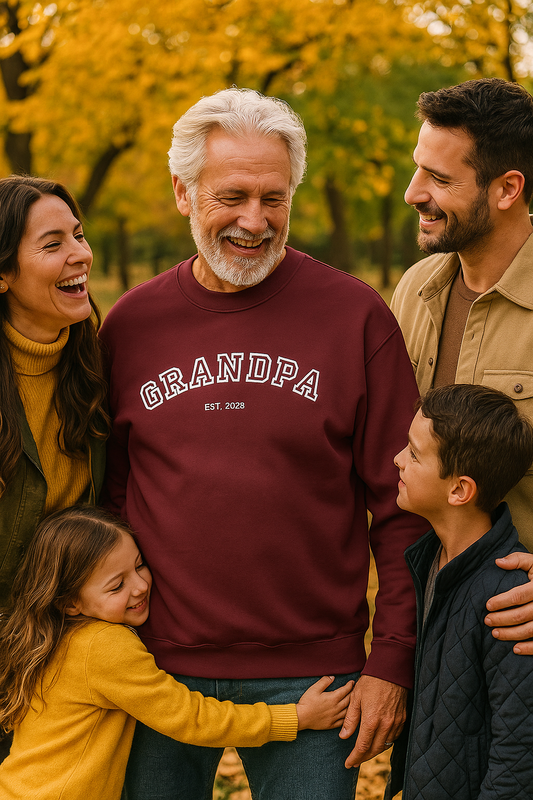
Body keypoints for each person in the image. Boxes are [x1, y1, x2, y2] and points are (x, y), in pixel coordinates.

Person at [99, 87, 427, 799]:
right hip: (153, 666)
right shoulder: (129, 326)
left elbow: (402, 507)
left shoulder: (354, 317)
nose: (254, 220)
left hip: (318, 677)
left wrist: (391, 661)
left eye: (273, 198)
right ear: (183, 193)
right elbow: (109, 498)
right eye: (232, 195)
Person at [0, 505, 353, 800]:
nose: (140, 586)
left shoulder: (51, 637)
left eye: (139, 565)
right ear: (70, 603)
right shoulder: (104, 646)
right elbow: (191, 718)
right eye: (117, 585)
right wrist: (295, 717)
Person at [390, 77, 533, 653]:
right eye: (418, 168)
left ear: (507, 189)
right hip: (431, 622)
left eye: (441, 180)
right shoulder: (415, 289)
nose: (412, 193)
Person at [0, 174, 108, 761]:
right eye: (51, 244)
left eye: (79, 234)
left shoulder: (97, 365)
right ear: (2, 274)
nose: (80, 255)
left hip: (66, 657)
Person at [385, 384, 533, 799]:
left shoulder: (509, 599)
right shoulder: (431, 562)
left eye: (413, 454)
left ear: (459, 490)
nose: (397, 459)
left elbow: (520, 754)